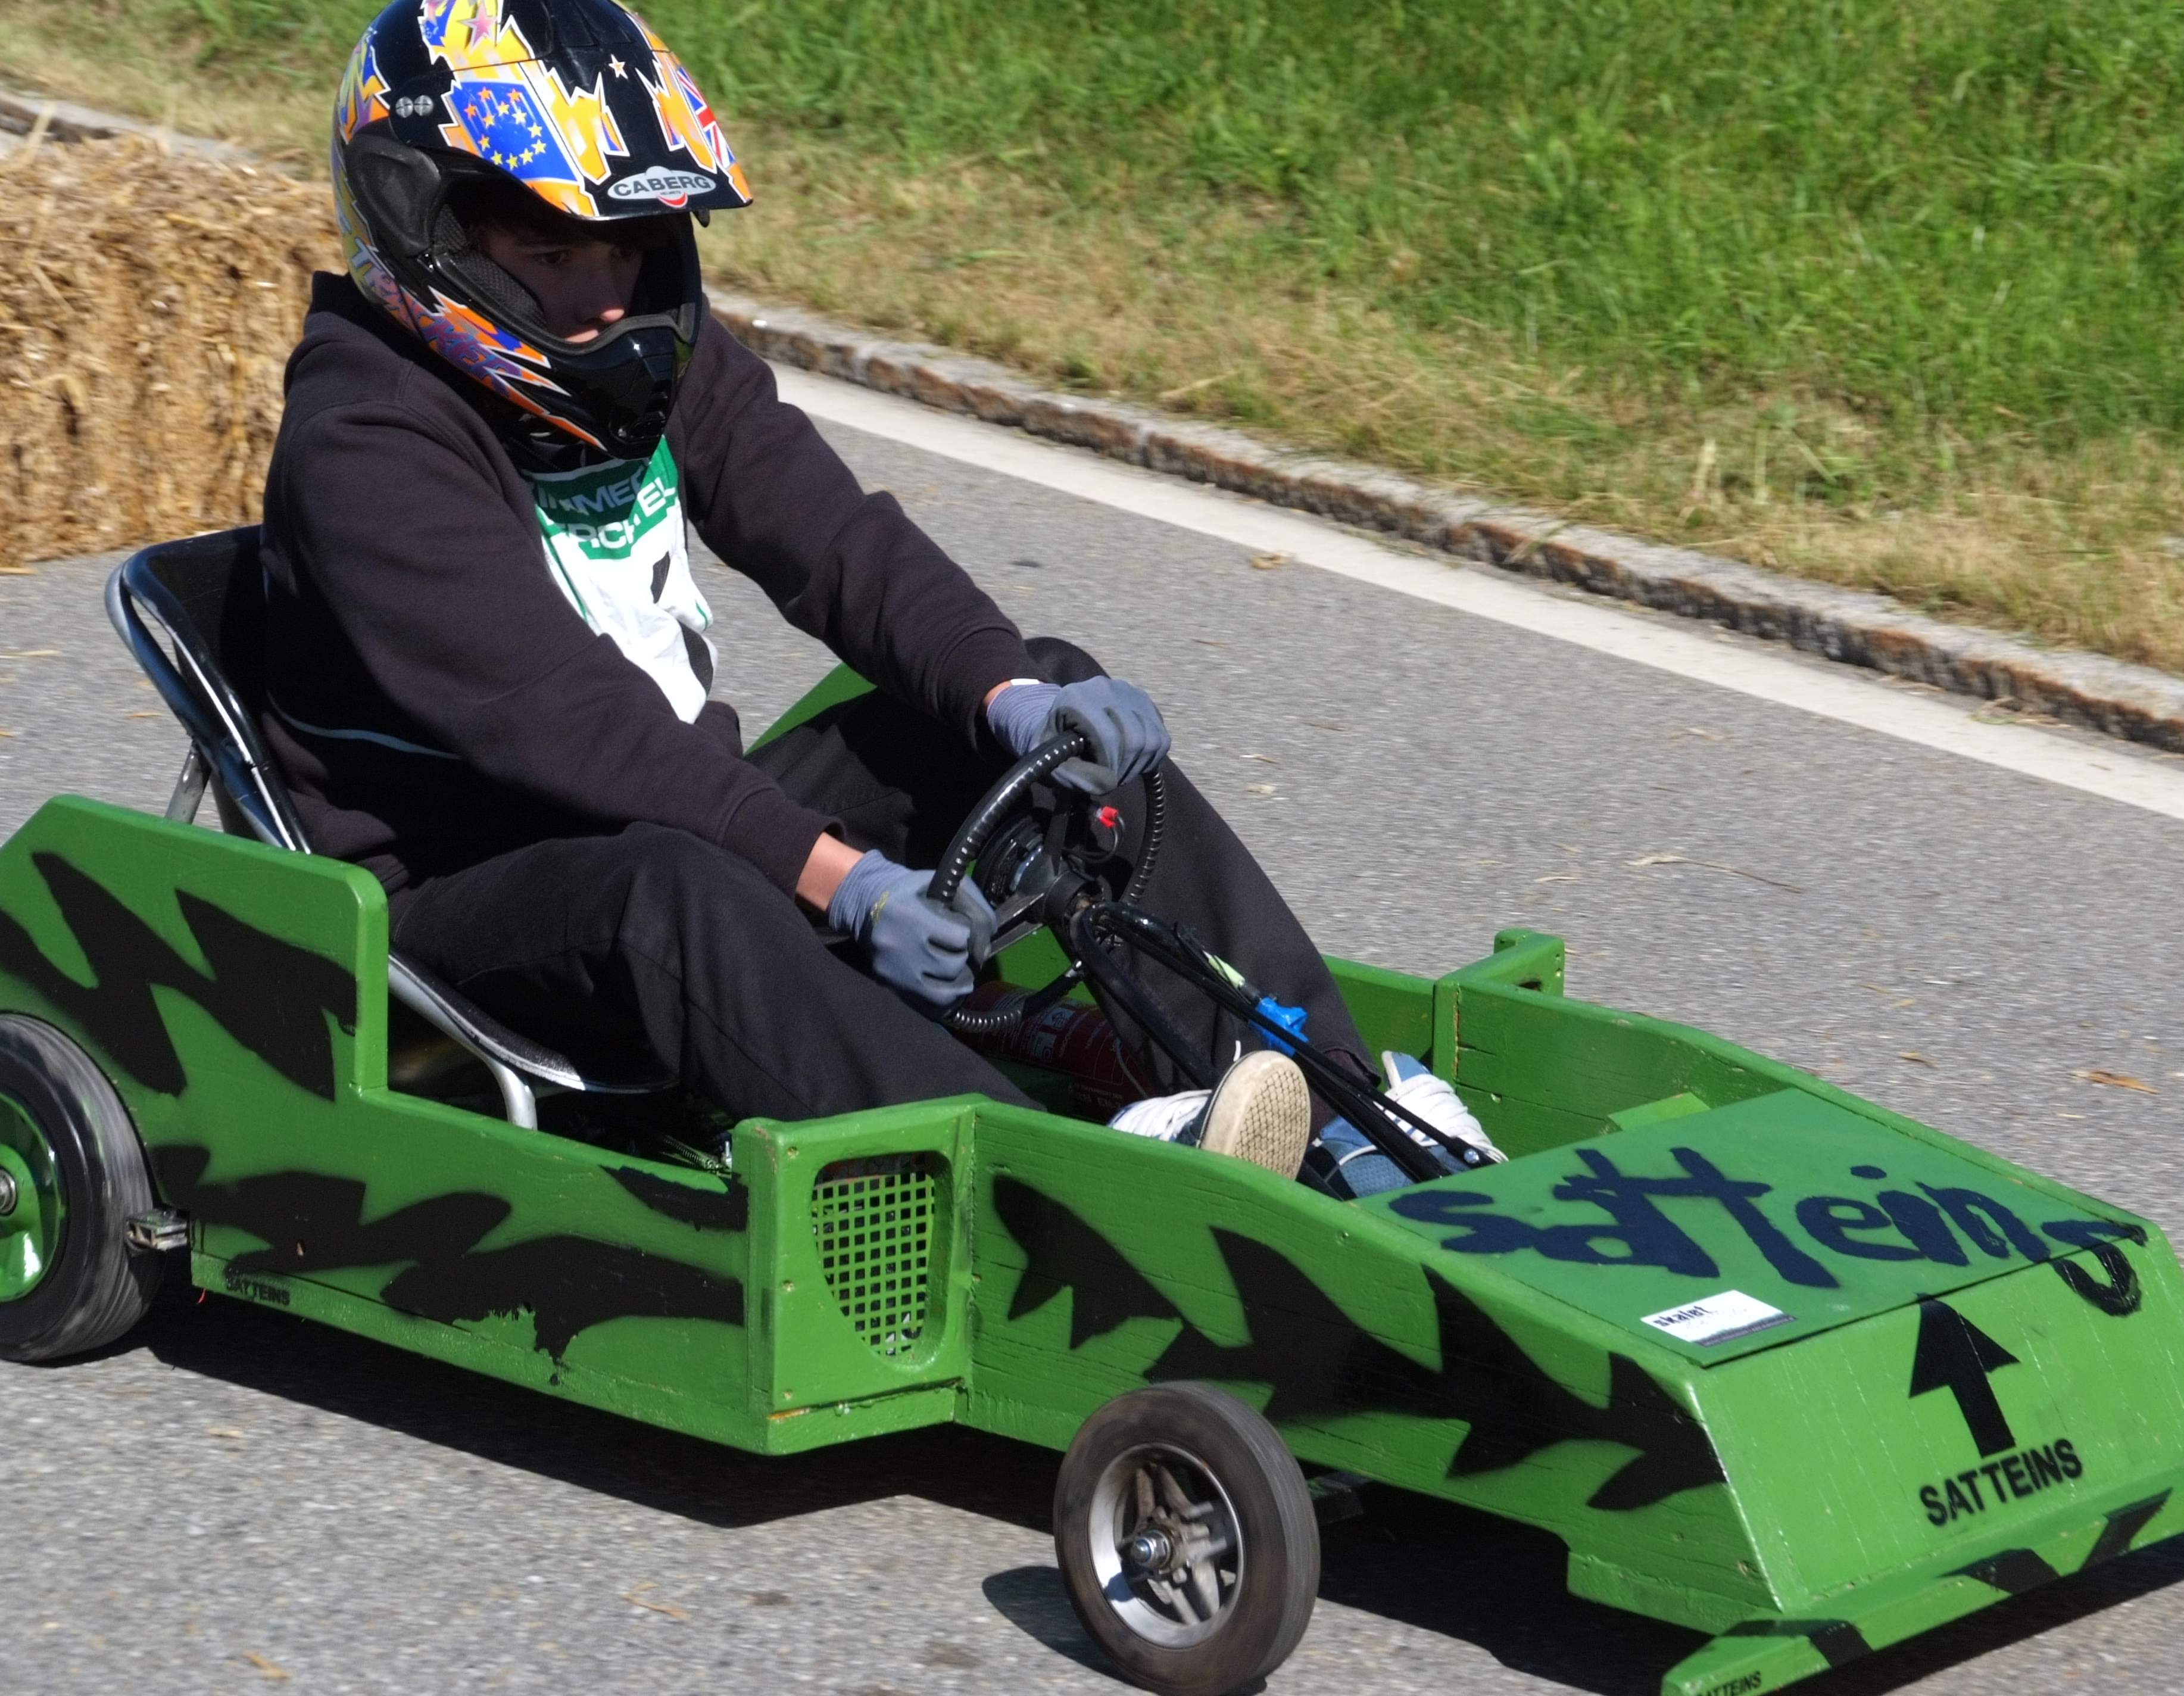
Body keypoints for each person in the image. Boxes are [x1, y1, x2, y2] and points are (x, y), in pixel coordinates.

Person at [265, 0, 1496, 1195]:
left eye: (630, 252)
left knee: (1051, 709)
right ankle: (1078, 1197)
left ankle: (1338, 1104)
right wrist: (840, 880)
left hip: (671, 829)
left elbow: (835, 541)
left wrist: (1008, 693)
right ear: (429, 227)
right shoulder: (367, 441)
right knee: (673, 890)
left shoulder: (634, 359)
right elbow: (574, 722)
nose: (606, 297)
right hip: (469, 922)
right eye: (553, 256)